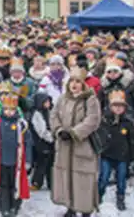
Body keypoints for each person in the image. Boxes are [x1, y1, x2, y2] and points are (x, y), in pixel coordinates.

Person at [50, 67, 101, 217]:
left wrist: (74, 133)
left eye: (78, 81)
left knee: (83, 180)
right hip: (64, 146)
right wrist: (59, 130)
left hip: (83, 146)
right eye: (72, 81)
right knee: (67, 177)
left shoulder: (90, 99)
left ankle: (85, 209)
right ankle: (70, 207)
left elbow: (93, 120)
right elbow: (54, 115)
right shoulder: (63, 98)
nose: (74, 84)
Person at [0, 93, 31, 217]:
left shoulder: (22, 124)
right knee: (3, 185)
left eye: (12, 109)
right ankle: (4, 207)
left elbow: (28, 142)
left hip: (17, 161)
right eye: (6, 109)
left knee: (16, 184)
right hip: (1, 161)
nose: (9, 112)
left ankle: (15, 206)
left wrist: (28, 160)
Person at [97, 90, 134, 211]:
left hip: (122, 156)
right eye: (115, 105)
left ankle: (120, 197)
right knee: (103, 177)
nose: (118, 108)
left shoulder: (127, 123)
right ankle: (98, 195)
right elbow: (99, 136)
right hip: (107, 154)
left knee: (121, 179)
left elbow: (133, 142)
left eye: (120, 106)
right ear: (110, 106)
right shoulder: (104, 121)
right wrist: (100, 148)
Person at [30, 92, 54, 191]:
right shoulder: (37, 114)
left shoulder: (49, 112)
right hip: (41, 143)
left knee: (51, 163)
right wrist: (51, 138)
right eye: (46, 102)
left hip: (50, 142)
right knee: (41, 164)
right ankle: (36, 182)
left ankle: (51, 183)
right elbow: (41, 131)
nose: (48, 103)